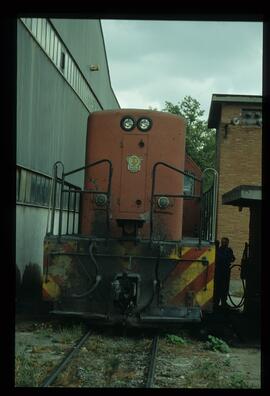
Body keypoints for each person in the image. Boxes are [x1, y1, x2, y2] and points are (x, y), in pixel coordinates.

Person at [213, 237, 235, 310]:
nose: (223, 244)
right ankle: (216, 303)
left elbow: (232, 258)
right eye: (222, 242)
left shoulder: (229, 250)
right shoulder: (218, 250)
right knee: (217, 287)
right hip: (219, 271)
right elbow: (218, 258)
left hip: (225, 271)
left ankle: (223, 303)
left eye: (225, 242)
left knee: (224, 287)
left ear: (227, 243)